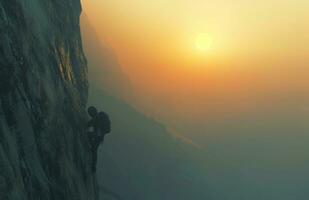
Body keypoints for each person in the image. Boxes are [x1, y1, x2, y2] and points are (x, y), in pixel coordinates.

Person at [87, 106, 111, 172]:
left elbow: (90, 124)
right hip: (99, 136)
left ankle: (93, 166)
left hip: (98, 135)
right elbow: (89, 124)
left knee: (94, 149)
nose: (90, 115)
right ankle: (93, 166)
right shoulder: (98, 117)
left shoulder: (97, 118)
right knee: (94, 149)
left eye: (90, 114)